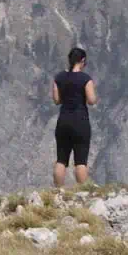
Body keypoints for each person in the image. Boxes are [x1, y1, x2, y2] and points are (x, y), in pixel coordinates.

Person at [51, 46, 97, 187]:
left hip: (63, 121)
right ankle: (83, 191)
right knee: (80, 161)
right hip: (80, 121)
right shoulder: (85, 79)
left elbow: (57, 100)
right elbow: (91, 100)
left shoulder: (58, 78)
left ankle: (58, 191)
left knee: (61, 160)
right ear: (82, 61)